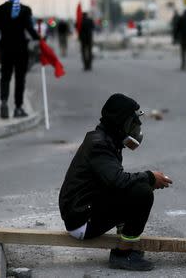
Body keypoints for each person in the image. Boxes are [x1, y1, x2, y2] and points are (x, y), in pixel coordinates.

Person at [59, 93, 172, 271]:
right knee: (141, 191)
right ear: (120, 122)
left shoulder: (106, 139)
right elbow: (118, 181)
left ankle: (124, 240)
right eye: (132, 122)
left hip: (82, 211)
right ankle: (123, 254)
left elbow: (112, 182)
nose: (136, 126)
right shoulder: (99, 145)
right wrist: (150, 177)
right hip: (81, 221)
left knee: (134, 186)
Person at [0, 0, 40, 119]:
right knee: (20, 79)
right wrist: (39, 39)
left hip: (5, 48)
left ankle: (4, 102)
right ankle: (18, 108)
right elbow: (30, 29)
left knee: (5, 77)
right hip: (20, 49)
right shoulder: (25, 10)